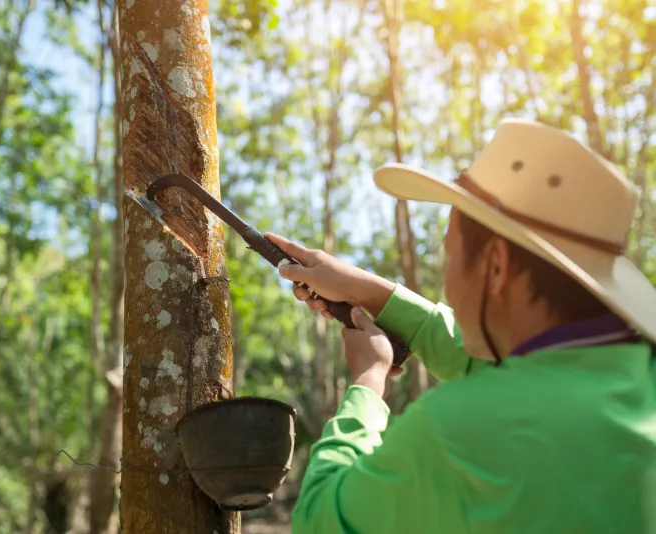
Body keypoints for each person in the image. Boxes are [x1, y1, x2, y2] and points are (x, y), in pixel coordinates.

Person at [268, 119, 656, 534]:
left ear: (496, 266)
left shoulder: (456, 430)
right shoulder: (637, 378)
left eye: (451, 255)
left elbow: (321, 519)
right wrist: (371, 291)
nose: (449, 279)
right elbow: (519, 374)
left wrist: (367, 383)